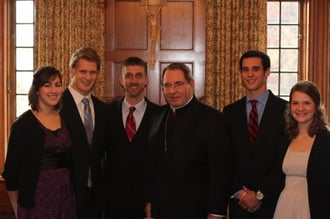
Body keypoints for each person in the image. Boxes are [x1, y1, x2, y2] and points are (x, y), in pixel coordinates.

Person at [149, 63, 232, 219]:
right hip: (161, 210)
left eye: (178, 84)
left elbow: (221, 172)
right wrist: (150, 204)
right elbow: (153, 165)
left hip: (196, 210)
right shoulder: (158, 115)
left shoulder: (212, 119)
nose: (172, 91)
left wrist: (216, 213)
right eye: (167, 85)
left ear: (191, 84)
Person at [2, 66, 76, 218]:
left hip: (65, 198)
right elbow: (11, 173)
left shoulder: (67, 120)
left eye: (57, 85)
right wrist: (18, 210)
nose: (54, 90)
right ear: (37, 90)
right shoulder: (22, 125)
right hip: (35, 201)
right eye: (47, 85)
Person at [222, 50, 288, 219]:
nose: (250, 74)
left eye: (256, 69)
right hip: (239, 204)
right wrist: (241, 194)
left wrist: (259, 195)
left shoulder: (285, 111)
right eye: (245, 70)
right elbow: (224, 159)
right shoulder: (229, 112)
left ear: (267, 73)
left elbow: (283, 161)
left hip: (273, 203)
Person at [104, 56, 159, 219]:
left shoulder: (160, 115)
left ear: (146, 80)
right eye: (128, 75)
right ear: (121, 80)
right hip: (112, 203)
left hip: (146, 204)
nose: (133, 81)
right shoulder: (106, 113)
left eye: (138, 75)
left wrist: (154, 201)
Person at [61, 47, 109, 219]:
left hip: (95, 198)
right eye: (83, 71)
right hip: (64, 195)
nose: (88, 77)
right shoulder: (56, 106)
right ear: (71, 70)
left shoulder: (103, 110)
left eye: (92, 72)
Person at [273, 80, 330, 219]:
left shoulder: (326, 141)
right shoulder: (284, 138)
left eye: (306, 103)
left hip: (314, 209)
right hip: (284, 206)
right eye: (295, 103)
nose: (300, 108)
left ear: (316, 106)